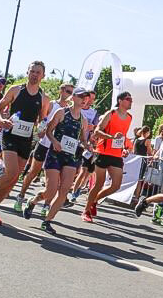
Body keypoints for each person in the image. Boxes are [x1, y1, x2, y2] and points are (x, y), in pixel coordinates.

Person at [0, 61, 50, 225]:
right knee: (11, 172)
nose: (35, 74)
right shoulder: (16, 90)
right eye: (32, 71)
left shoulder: (43, 98)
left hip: (26, 139)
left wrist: (42, 128)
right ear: (27, 72)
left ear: (43, 76)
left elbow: (42, 120)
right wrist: (1, 119)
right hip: (10, 134)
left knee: (14, 178)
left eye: (38, 72)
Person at [24, 87, 90, 233]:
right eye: (80, 96)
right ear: (73, 98)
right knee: (51, 191)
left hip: (70, 157)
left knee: (64, 190)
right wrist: (54, 141)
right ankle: (33, 201)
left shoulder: (83, 120)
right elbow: (48, 130)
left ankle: (47, 221)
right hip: (55, 154)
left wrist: (88, 146)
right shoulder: (61, 112)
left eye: (85, 97)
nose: (83, 99)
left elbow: (83, 139)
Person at [14, 83, 73, 212]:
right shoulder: (52, 104)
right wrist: (40, 129)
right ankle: (21, 196)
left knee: (54, 179)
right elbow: (42, 118)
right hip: (44, 144)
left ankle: (46, 205)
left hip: (57, 148)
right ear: (61, 91)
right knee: (33, 172)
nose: (70, 95)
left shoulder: (69, 111)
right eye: (68, 91)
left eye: (72, 93)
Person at [81, 91, 133, 222]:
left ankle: (94, 201)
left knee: (116, 185)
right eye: (128, 99)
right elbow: (97, 131)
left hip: (116, 155)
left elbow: (123, 136)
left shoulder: (129, 117)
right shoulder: (111, 114)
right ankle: (86, 211)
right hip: (103, 153)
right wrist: (110, 137)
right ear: (120, 101)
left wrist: (126, 148)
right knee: (98, 184)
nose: (130, 101)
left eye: (131, 100)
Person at [65, 90, 99, 206]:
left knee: (83, 171)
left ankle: (73, 192)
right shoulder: (73, 108)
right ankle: (66, 193)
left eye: (93, 99)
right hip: (70, 142)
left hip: (84, 145)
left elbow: (96, 128)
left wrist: (92, 129)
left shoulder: (94, 113)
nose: (90, 101)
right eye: (89, 98)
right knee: (73, 170)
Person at [132, 125, 153, 200]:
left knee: (134, 179)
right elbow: (149, 152)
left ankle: (132, 196)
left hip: (135, 160)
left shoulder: (136, 140)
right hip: (142, 161)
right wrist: (151, 159)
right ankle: (136, 197)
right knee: (139, 180)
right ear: (147, 132)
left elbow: (134, 151)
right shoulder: (147, 141)